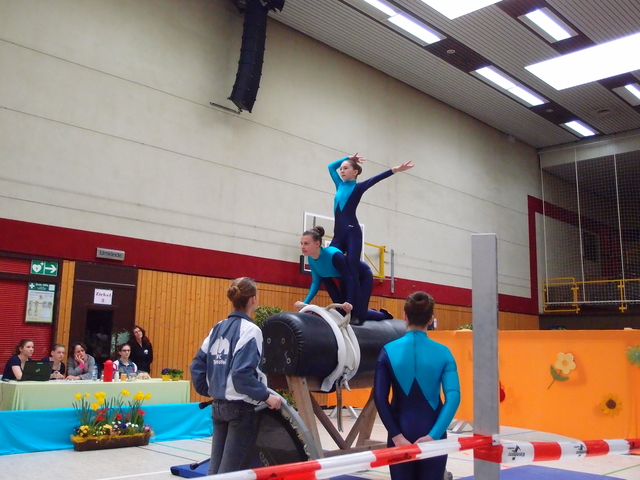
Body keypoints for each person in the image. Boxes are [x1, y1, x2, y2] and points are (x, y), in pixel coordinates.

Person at [190, 277, 281, 475]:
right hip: (240, 409)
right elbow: (241, 374)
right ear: (253, 299)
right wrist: (266, 396)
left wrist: (213, 389)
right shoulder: (251, 330)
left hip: (218, 406)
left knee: (215, 471)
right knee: (231, 473)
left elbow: (196, 366)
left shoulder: (218, 327)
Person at [373, 291, 460, 480]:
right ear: (431, 319)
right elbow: (453, 397)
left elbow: (379, 398)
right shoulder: (444, 353)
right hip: (433, 432)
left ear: (405, 316)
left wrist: (397, 436)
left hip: (400, 433)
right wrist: (433, 436)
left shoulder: (387, 351)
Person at [328, 153, 414, 279]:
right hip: (338, 234)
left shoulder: (359, 187)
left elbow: (377, 178)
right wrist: (348, 158)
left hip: (352, 233)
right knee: (330, 260)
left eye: (345, 168)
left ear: (355, 172)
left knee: (352, 268)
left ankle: (355, 291)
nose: (341, 171)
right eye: (341, 169)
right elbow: (330, 167)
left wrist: (395, 169)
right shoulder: (339, 185)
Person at [295, 226, 393, 323]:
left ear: (317, 244)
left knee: (359, 315)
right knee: (341, 312)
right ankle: (366, 310)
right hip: (344, 279)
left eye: (306, 243)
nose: (302, 247)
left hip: (361, 276)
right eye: (301, 243)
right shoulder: (311, 260)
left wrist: (349, 302)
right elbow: (316, 282)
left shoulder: (334, 256)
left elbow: (350, 279)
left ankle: (384, 315)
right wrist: (305, 303)